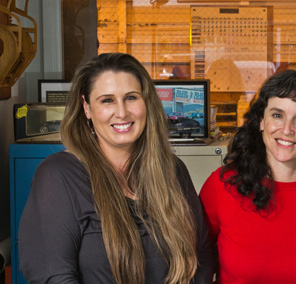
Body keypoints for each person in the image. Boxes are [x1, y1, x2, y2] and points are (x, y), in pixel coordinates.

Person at [19, 53, 215, 283]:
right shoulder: (58, 176)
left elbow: (202, 254)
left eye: (131, 97)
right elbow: (53, 276)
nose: (122, 112)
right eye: (107, 100)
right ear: (87, 107)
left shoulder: (172, 170)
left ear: (147, 103)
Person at [199, 69, 296, 283]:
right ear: (261, 121)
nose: (287, 129)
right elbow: (195, 259)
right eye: (277, 115)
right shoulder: (223, 185)